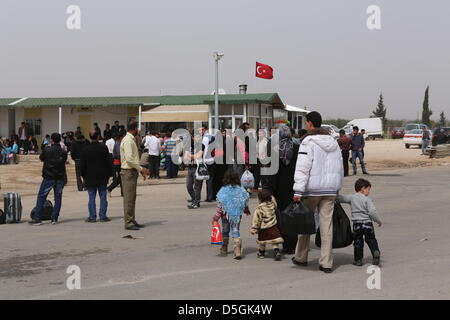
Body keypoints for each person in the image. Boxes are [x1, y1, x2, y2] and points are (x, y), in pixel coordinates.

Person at [292, 111, 344, 273]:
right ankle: (326, 262)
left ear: (309, 123)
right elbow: (340, 167)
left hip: (312, 190)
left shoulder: (308, 141)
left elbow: (302, 167)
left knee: (305, 223)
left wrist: (298, 190)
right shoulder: (333, 142)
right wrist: (337, 187)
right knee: (326, 225)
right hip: (329, 190)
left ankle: (301, 257)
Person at [267, 124, 300, 254]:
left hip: (279, 188)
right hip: (294, 186)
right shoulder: (297, 147)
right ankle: (292, 244)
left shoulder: (274, 149)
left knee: (280, 215)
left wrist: (269, 188)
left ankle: (284, 242)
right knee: (292, 215)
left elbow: (271, 171)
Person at [337, 179, 381, 266]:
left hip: (357, 224)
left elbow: (341, 199)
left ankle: (358, 260)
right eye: (368, 189)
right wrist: (378, 220)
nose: (368, 192)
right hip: (368, 224)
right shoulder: (367, 199)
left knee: (357, 242)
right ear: (363, 188)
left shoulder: (352, 197)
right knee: (371, 239)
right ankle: (375, 251)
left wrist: (335, 195)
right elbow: (372, 212)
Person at [29, 133, 67, 225]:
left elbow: (41, 158)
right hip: (59, 177)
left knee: (41, 197)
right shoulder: (63, 152)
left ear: (52, 140)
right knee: (58, 197)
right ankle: (54, 218)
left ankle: (38, 218)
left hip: (48, 176)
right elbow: (63, 162)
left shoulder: (47, 150)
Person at [212, 169, 251, 259]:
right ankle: (237, 250)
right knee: (235, 229)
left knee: (225, 231)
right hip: (237, 215)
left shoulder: (223, 190)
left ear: (226, 178)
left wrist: (217, 216)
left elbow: (220, 204)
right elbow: (245, 200)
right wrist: (246, 209)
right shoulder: (241, 190)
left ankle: (224, 248)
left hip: (225, 215)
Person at [120, 122, 149, 230]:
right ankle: (128, 222)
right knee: (129, 198)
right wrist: (141, 169)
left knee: (132, 198)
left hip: (131, 171)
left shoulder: (131, 139)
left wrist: (139, 169)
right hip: (128, 172)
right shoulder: (128, 140)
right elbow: (129, 159)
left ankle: (131, 219)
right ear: (134, 129)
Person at [80, 131, 113, 223]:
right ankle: (102, 216)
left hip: (90, 176)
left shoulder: (85, 149)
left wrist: (83, 175)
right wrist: (110, 174)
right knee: (103, 196)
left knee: (91, 197)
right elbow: (108, 162)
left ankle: (92, 216)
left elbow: (82, 165)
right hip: (102, 176)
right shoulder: (103, 148)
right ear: (98, 137)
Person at [250, 189, 284, 261]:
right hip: (273, 226)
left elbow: (256, 219)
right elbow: (275, 205)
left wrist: (254, 228)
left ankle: (261, 253)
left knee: (262, 242)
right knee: (274, 241)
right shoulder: (272, 205)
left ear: (260, 199)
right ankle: (276, 251)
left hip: (264, 228)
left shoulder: (259, 208)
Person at [185, 131, 204, 209]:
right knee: (189, 186)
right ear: (193, 137)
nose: (198, 138)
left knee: (197, 187)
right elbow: (186, 156)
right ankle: (194, 199)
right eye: (196, 137)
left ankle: (196, 202)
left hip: (198, 168)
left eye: (199, 137)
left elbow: (198, 156)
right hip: (190, 168)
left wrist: (190, 155)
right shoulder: (189, 146)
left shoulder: (202, 146)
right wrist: (190, 156)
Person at [107, 131, 124, 197]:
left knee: (120, 179)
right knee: (119, 179)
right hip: (118, 163)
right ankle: (109, 188)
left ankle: (123, 192)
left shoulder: (118, 143)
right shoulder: (118, 144)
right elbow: (119, 154)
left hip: (119, 162)